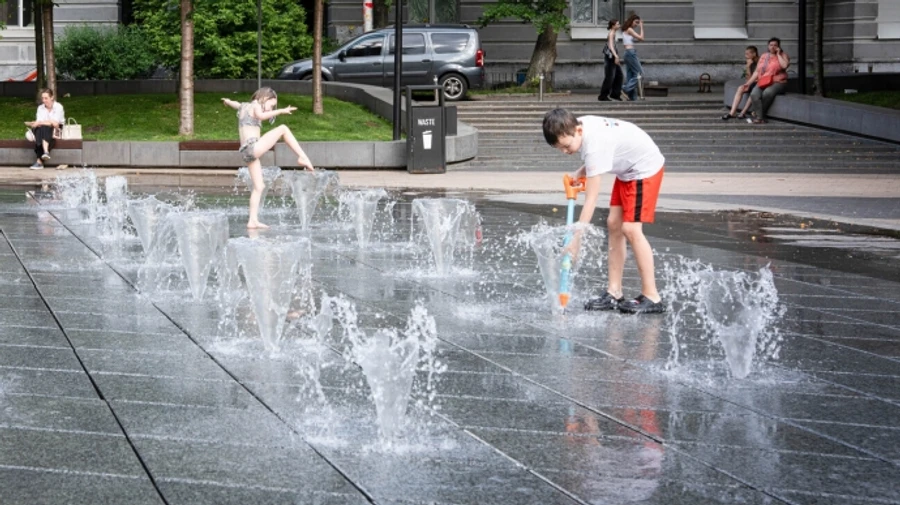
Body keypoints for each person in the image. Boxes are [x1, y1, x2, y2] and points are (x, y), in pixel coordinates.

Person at [542, 108, 666, 314]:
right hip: (626, 171)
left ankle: (652, 296)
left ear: (578, 131)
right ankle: (614, 291)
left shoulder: (593, 143)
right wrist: (581, 171)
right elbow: (600, 156)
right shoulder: (575, 126)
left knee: (631, 229)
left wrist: (576, 239)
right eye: (560, 149)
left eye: (566, 146)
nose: (565, 152)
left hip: (644, 169)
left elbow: (591, 199)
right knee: (613, 224)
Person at [222, 87, 315, 229]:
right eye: (271, 105)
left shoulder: (244, 106)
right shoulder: (256, 105)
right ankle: (302, 157)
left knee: (259, 186)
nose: (269, 109)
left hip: (246, 153)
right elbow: (261, 116)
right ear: (265, 98)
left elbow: (236, 104)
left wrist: (228, 101)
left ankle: (252, 220)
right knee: (283, 128)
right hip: (252, 147)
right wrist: (281, 111)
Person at [745, 37, 790, 124]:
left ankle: (758, 116)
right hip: (764, 80)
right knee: (754, 94)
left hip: (778, 82)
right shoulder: (764, 56)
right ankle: (760, 116)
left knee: (767, 93)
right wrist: (748, 83)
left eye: (775, 45)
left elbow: (784, 66)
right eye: (771, 45)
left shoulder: (783, 55)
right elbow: (757, 71)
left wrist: (778, 54)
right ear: (768, 46)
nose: (773, 47)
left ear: (779, 46)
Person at [25, 88, 65, 170]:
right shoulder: (40, 108)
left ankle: (39, 162)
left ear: (52, 97)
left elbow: (55, 123)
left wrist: (40, 122)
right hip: (43, 128)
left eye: (46, 98)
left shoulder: (58, 107)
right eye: (42, 98)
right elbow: (40, 120)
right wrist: (36, 123)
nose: (44, 100)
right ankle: (45, 152)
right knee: (41, 128)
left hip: (56, 128)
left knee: (44, 128)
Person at [722, 46, 759, 120]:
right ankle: (732, 112)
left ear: (754, 54)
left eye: (747, 54)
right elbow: (748, 78)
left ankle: (743, 113)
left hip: (759, 83)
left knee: (753, 92)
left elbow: (757, 77)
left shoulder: (760, 62)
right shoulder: (750, 62)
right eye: (745, 54)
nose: (746, 56)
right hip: (751, 82)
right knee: (740, 88)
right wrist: (748, 66)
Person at [598, 19, 625, 102]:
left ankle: (615, 94)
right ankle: (603, 96)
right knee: (610, 77)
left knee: (619, 75)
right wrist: (616, 56)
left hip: (612, 56)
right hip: (610, 57)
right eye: (617, 24)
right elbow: (610, 46)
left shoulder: (613, 33)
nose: (619, 25)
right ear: (613, 26)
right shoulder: (611, 33)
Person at [621, 14, 645, 102]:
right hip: (630, 53)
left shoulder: (626, 30)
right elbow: (642, 38)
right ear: (631, 21)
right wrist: (641, 27)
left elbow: (638, 39)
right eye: (636, 22)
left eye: (638, 23)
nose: (636, 24)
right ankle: (625, 89)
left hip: (628, 53)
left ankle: (632, 97)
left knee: (631, 76)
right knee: (640, 74)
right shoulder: (630, 29)